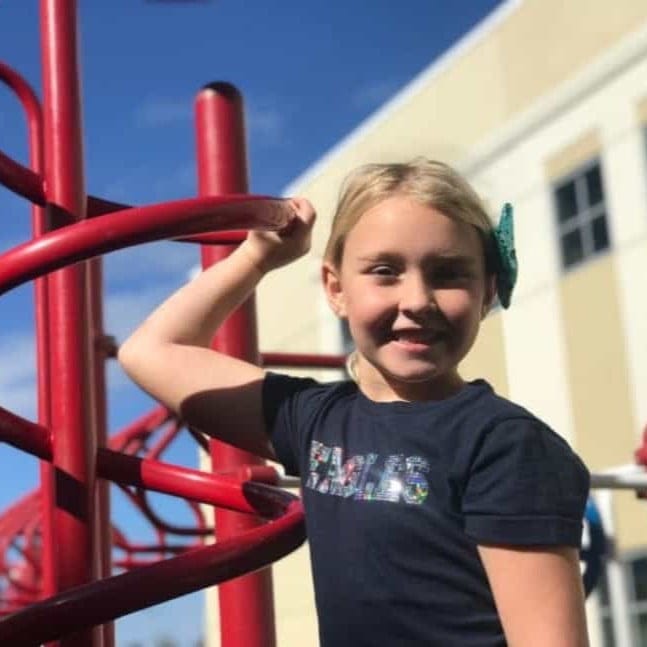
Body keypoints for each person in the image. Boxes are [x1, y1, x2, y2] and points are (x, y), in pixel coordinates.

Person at [118, 159, 590, 646]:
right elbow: (151, 352)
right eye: (385, 271)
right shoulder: (317, 419)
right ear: (336, 289)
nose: (417, 299)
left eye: (449, 274)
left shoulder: (506, 444)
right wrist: (257, 257)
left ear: (487, 290)